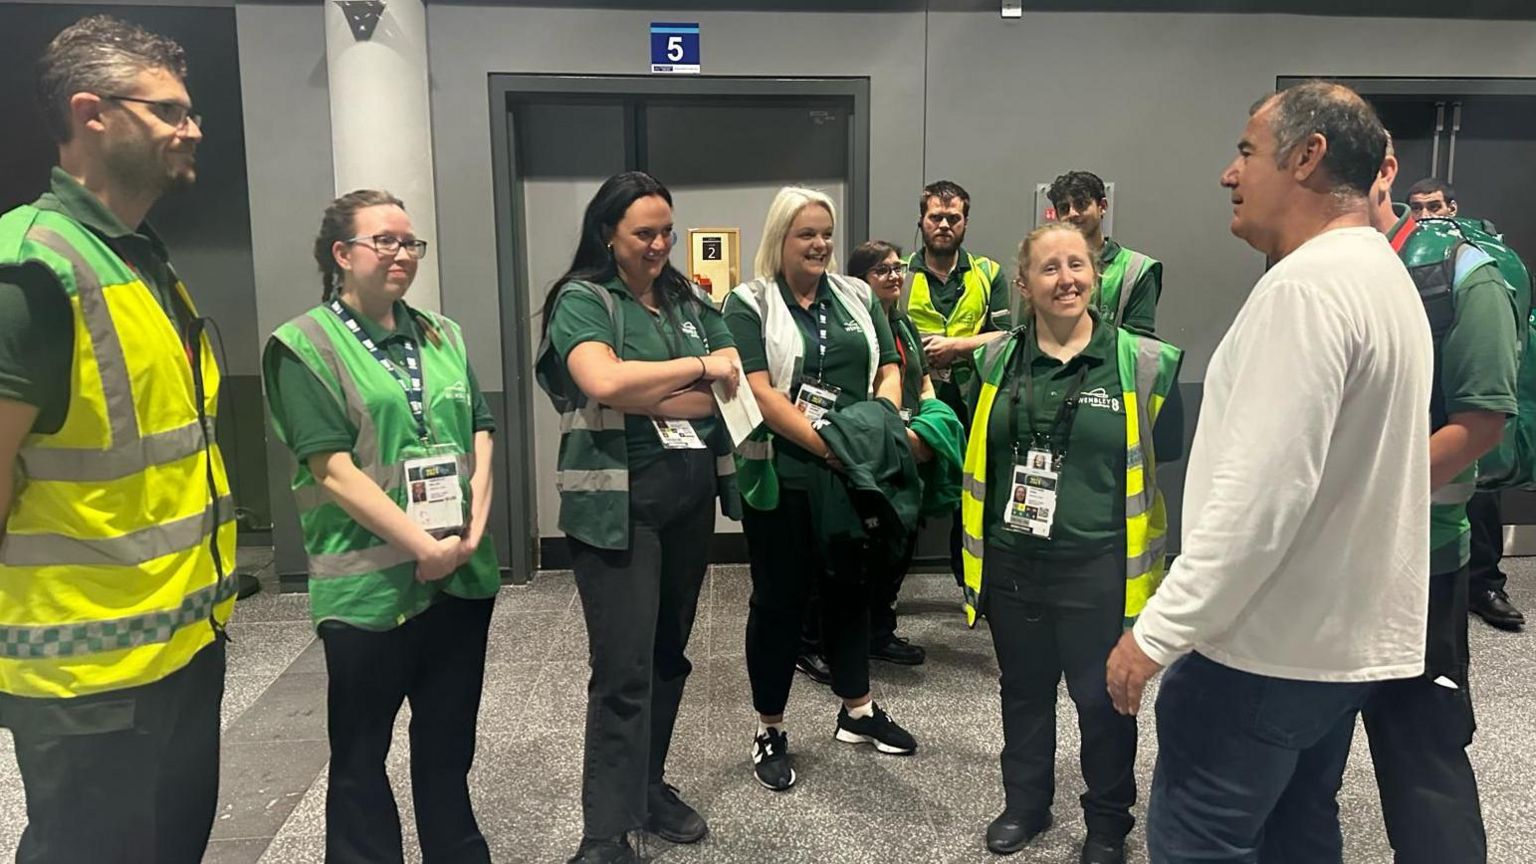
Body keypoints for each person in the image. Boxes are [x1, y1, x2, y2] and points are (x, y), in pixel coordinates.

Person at [1105, 81, 1433, 863]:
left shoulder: (1307, 291)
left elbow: (1259, 504)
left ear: (1307, 156)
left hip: (1261, 655)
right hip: (1336, 652)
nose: (1229, 173)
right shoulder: (1385, 279)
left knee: (1201, 844)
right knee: (1299, 836)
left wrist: (1156, 634)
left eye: (1246, 152)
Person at [0, 17, 234, 863]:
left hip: (180, 650)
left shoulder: (142, 261)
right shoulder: (31, 272)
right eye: (169, 110)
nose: (192, 127)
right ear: (91, 113)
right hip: (85, 683)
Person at [263, 190, 501, 864]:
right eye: (385, 241)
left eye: (410, 243)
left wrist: (473, 534)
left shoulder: (442, 334)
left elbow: (481, 431)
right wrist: (424, 545)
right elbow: (332, 469)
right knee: (362, 758)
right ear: (342, 255)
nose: (402, 254)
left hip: (460, 578)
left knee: (449, 746)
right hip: (370, 595)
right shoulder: (302, 345)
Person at [535, 171, 742, 864]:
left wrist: (661, 387)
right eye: (643, 233)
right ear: (607, 234)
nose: (659, 245)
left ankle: (648, 787)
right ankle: (602, 832)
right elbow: (601, 381)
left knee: (666, 659)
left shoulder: (683, 296)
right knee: (622, 669)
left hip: (685, 508)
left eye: (666, 232)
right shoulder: (582, 300)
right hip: (616, 511)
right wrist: (691, 370)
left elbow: (724, 384)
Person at [959, 222, 1182, 863]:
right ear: (1024, 286)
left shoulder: (1144, 363)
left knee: (1102, 701)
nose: (1067, 279)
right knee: (1023, 689)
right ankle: (1026, 804)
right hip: (1011, 559)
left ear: (1098, 276)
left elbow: (1164, 461)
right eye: (1050, 269)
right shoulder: (993, 360)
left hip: (1098, 564)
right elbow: (987, 461)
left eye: (1078, 265)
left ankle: (1108, 823)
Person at [724, 187, 919, 793]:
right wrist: (831, 444)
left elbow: (891, 364)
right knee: (780, 601)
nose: (820, 245)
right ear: (779, 238)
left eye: (826, 234)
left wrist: (877, 426)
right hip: (786, 475)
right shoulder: (747, 303)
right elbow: (758, 390)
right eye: (806, 234)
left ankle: (856, 712)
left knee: (850, 591)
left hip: (852, 471)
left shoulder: (858, 294)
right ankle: (770, 728)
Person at [1361, 146, 1518, 864]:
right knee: (1304, 759)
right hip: (1320, 571)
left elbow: (1483, 422)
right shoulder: (1318, 274)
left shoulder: (1463, 276)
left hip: (1422, 563)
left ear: (1381, 171)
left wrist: (1359, 500)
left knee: (1422, 756)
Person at [903, 180, 1012, 586]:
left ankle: (971, 589)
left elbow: (1006, 336)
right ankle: (885, 607)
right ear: (922, 220)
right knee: (906, 495)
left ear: (965, 223)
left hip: (972, 401)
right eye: (936, 217)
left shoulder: (988, 273)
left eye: (954, 218)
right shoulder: (898, 273)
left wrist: (957, 346)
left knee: (971, 500)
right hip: (915, 405)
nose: (944, 225)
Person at [1047, 170, 1163, 334]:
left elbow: (1138, 346)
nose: (1072, 213)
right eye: (1064, 208)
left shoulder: (1137, 270)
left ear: (1102, 206)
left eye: (1081, 204)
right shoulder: (1043, 269)